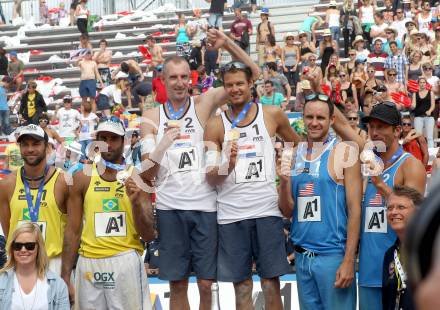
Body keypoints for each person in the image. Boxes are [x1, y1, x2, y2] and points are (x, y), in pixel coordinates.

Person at [139, 29, 260, 310]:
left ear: (191, 78)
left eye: (185, 77)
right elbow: (147, 175)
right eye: (173, 77)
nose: (180, 83)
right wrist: (161, 146)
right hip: (169, 209)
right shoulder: (151, 117)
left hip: (206, 207)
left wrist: (227, 44)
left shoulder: (203, 104)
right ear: (162, 81)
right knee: (177, 283)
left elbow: (252, 75)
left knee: (206, 284)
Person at [203, 61, 300, 310]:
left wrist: (284, 165)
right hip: (231, 215)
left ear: (250, 85)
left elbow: (296, 143)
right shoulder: (215, 125)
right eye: (229, 85)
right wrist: (229, 163)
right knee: (242, 286)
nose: (235, 89)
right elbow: (211, 177)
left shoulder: (271, 114)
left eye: (239, 84)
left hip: (267, 211)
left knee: (271, 283)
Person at [61, 118, 155, 309]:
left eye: (114, 139)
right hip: (89, 262)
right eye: (103, 138)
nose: (108, 144)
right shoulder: (82, 178)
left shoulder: (137, 177)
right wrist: (64, 275)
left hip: (124, 259)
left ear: (124, 141)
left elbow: (148, 234)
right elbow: (73, 230)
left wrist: (136, 202)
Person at [278, 95, 361, 310]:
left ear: (332, 120)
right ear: (302, 118)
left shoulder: (345, 152)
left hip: (332, 256)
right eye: (309, 117)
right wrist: (284, 183)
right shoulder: (294, 154)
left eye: (320, 118)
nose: (314, 122)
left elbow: (355, 210)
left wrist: (349, 260)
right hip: (302, 256)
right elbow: (287, 211)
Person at [359, 102, 426, 310]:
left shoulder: (410, 165)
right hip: (368, 270)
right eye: (371, 127)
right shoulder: (366, 163)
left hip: (399, 272)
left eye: (381, 127)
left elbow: (413, 217)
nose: (375, 133)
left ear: (397, 130)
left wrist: (379, 183)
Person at [0, 124, 69, 274]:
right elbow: (8, 229)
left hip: (53, 263)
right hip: (19, 262)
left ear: (47, 147)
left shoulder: (63, 181)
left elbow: (73, 229)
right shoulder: (6, 184)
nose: (30, 149)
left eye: (36, 144)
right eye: (25, 144)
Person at [0, 223, 69, 309]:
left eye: (30, 246)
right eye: (18, 246)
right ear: (12, 248)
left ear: (39, 248)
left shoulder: (58, 285)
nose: (23, 250)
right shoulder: (1, 281)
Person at [382, 186, 423, 310]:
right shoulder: (390, 254)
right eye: (390, 208)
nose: (393, 212)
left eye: (401, 207)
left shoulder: (431, 251)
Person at [411, 76, 435, 148]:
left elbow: (433, 105)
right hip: (418, 117)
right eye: (420, 82)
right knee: (419, 137)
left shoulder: (431, 93)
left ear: (426, 84)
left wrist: (430, 111)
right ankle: (420, 153)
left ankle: (431, 153)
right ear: (418, 84)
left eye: (424, 82)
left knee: (430, 137)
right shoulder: (415, 94)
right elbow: (413, 105)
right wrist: (411, 105)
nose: (422, 84)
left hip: (429, 117)